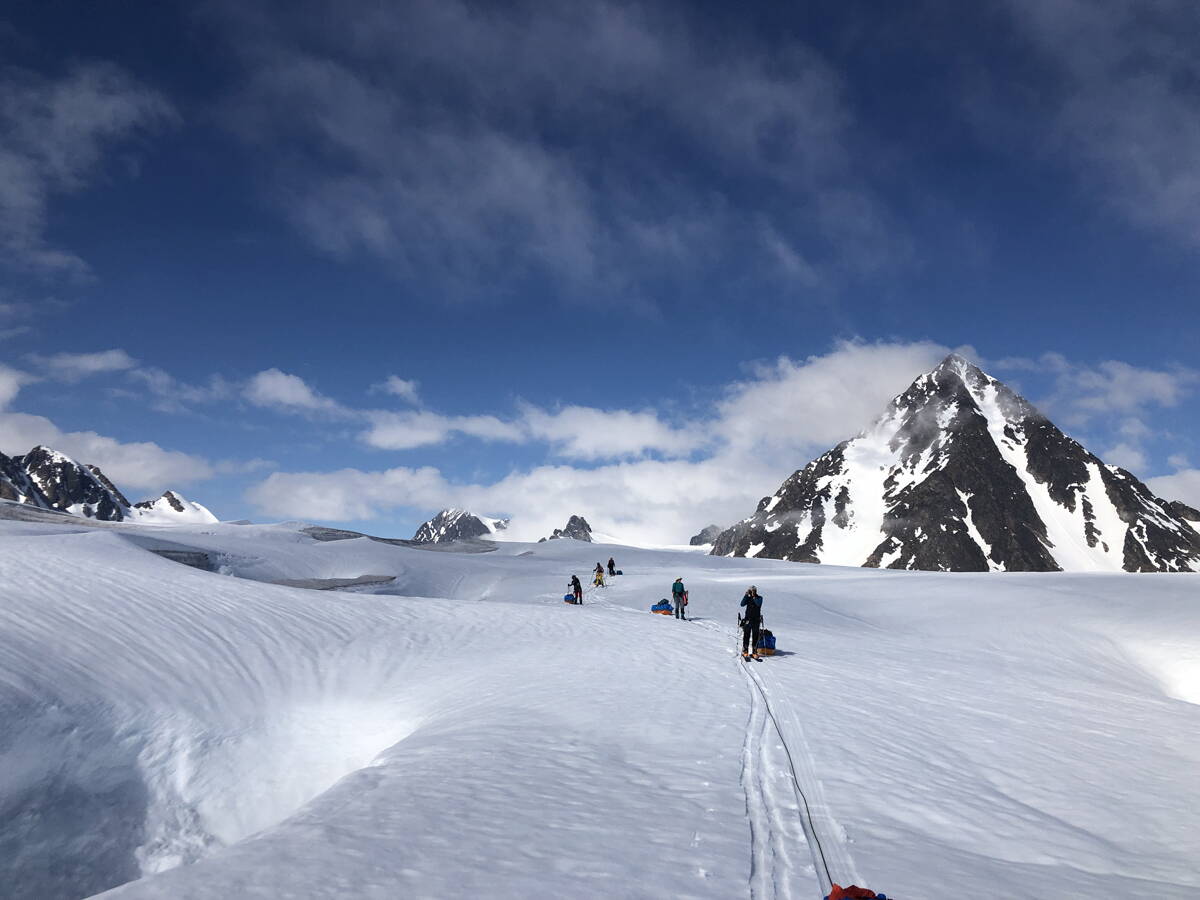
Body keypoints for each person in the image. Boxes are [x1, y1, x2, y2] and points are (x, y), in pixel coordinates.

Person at [739, 585, 763, 658]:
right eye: (751, 590)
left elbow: (758, 604)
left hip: (756, 620)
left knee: (755, 636)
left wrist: (753, 596)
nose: (752, 592)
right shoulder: (748, 598)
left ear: (756, 591)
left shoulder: (759, 598)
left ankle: (754, 652)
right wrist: (746, 595)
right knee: (746, 635)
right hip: (748, 620)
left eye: (753, 590)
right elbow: (742, 604)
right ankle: (745, 650)